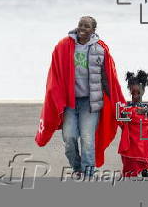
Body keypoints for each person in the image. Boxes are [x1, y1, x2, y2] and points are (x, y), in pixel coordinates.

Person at [35, 16, 126, 176]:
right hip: (69, 103)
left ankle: (88, 172)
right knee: (69, 138)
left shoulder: (101, 49)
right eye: (80, 25)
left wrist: (116, 103)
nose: (82, 28)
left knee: (87, 138)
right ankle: (77, 168)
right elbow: (54, 75)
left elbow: (109, 79)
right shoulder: (63, 46)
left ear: (93, 30)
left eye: (87, 26)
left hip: (91, 103)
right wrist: (54, 98)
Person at [118, 70, 148, 177]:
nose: (135, 95)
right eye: (133, 92)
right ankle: (134, 171)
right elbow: (120, 117)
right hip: (131, 137)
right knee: (132, 155)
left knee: (144, 154)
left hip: (144, 137)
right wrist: (124, 114)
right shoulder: (126, 105)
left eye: (138, 93)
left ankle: (144, 168)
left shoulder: (146, 106)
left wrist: (145, 111)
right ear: (130, 91)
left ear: (143, 91)